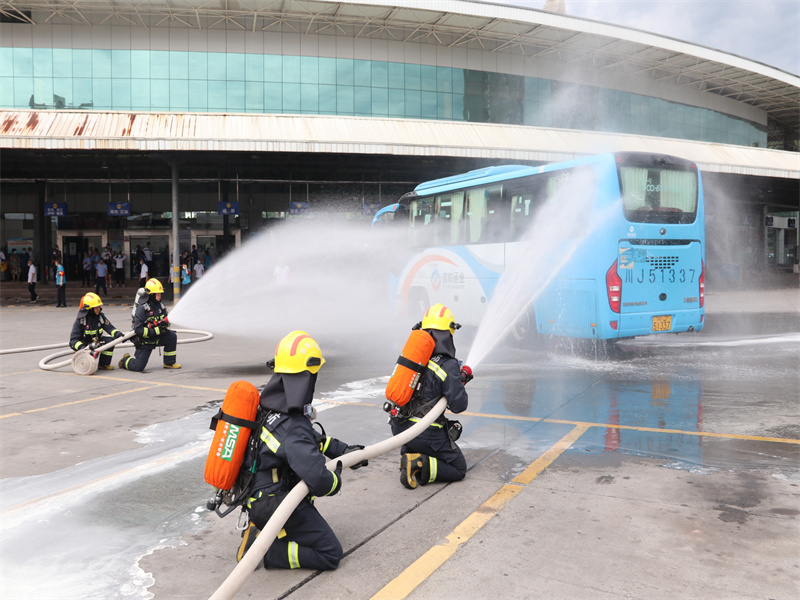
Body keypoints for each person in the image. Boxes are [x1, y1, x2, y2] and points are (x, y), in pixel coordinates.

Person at [240, 330, 366, 570]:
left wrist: (344, 451)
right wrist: (336, 480)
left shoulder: (269, 406)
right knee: (329, 553)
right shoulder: (292, 425)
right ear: (307, 377)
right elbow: (319, 480)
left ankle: (264, 529)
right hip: (275, 501)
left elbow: (310, 440)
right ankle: (262, 550)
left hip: (259, 496)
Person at [389, 303, 472, 489]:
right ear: (449, 332)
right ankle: (418, 463)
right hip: (424, 433)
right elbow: (459, 405)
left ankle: (407, 454)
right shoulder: (448, 364)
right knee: (458, 468)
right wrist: (460, 379)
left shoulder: (414, 356)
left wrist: (458, 379)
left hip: (399, 429)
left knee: (415, 437)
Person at [118, 278, 181, 371]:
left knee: (172, 336)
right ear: (151, 295)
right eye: (157, 293)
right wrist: (156, 330)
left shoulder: (160, 305)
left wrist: (165, 324)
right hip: (146, 340)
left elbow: (165, 319)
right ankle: (125, 360)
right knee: (138, 367)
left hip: (157, 337)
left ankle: (169, 363)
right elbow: (138, 330)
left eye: (160, 293)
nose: (160, 296)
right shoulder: (142, 308)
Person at [70, 293, 124, 369]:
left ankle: (103, 364)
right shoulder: (81, 320)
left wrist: (119, 335)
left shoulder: (100, 317)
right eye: (96, 307)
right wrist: (83, 348)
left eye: (99, 307)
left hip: (96, 342)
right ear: (90, 309)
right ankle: (83, 360)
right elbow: (73, 340)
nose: (99, 309)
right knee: (88, 368)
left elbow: (109, 327)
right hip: (84, 346)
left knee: (110, 341)